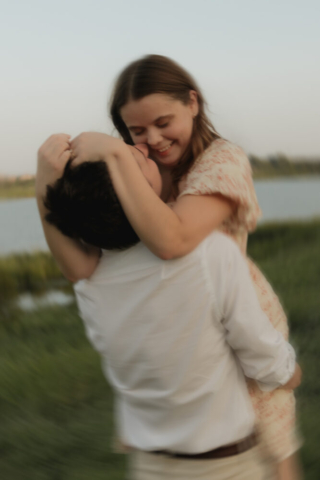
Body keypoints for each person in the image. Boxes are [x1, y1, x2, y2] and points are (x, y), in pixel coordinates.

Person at [36, 55, 302, 479]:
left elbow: (172, 241)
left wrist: (119, 158)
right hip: (185, 334)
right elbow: (79, 268)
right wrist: (43, 187)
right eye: (135, 131)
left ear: (192, 103)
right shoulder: (139, 165)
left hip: (233, 319)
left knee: (272, 445)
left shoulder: (220, 161)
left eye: (163, 122)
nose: (151, 141)